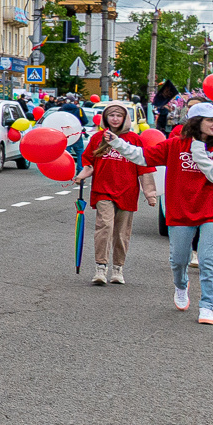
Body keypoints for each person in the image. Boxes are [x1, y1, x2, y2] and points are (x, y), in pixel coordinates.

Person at [161, 101, 213, 323]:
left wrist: (199, 152)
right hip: (183, 206)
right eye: (210, 120)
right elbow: (144, 156)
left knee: (208, 258)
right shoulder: (176, 144)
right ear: (196, 122)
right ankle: (181, 285)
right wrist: (117, 143)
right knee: (179, 259)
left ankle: (207, 306)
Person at [75, 98, 158, 285]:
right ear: (105, 117)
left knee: (121, 232)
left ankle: (118, 269)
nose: (114, 119)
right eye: (111, 115)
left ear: (125, 118)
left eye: (118, 115)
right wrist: (81, 176)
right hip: (103, 190)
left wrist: (150, 194)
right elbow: (88, 162)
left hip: (127, 192)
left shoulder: (134, 140)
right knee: (104, 226)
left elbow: (144, 168)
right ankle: (100, 268)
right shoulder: (98, 138)